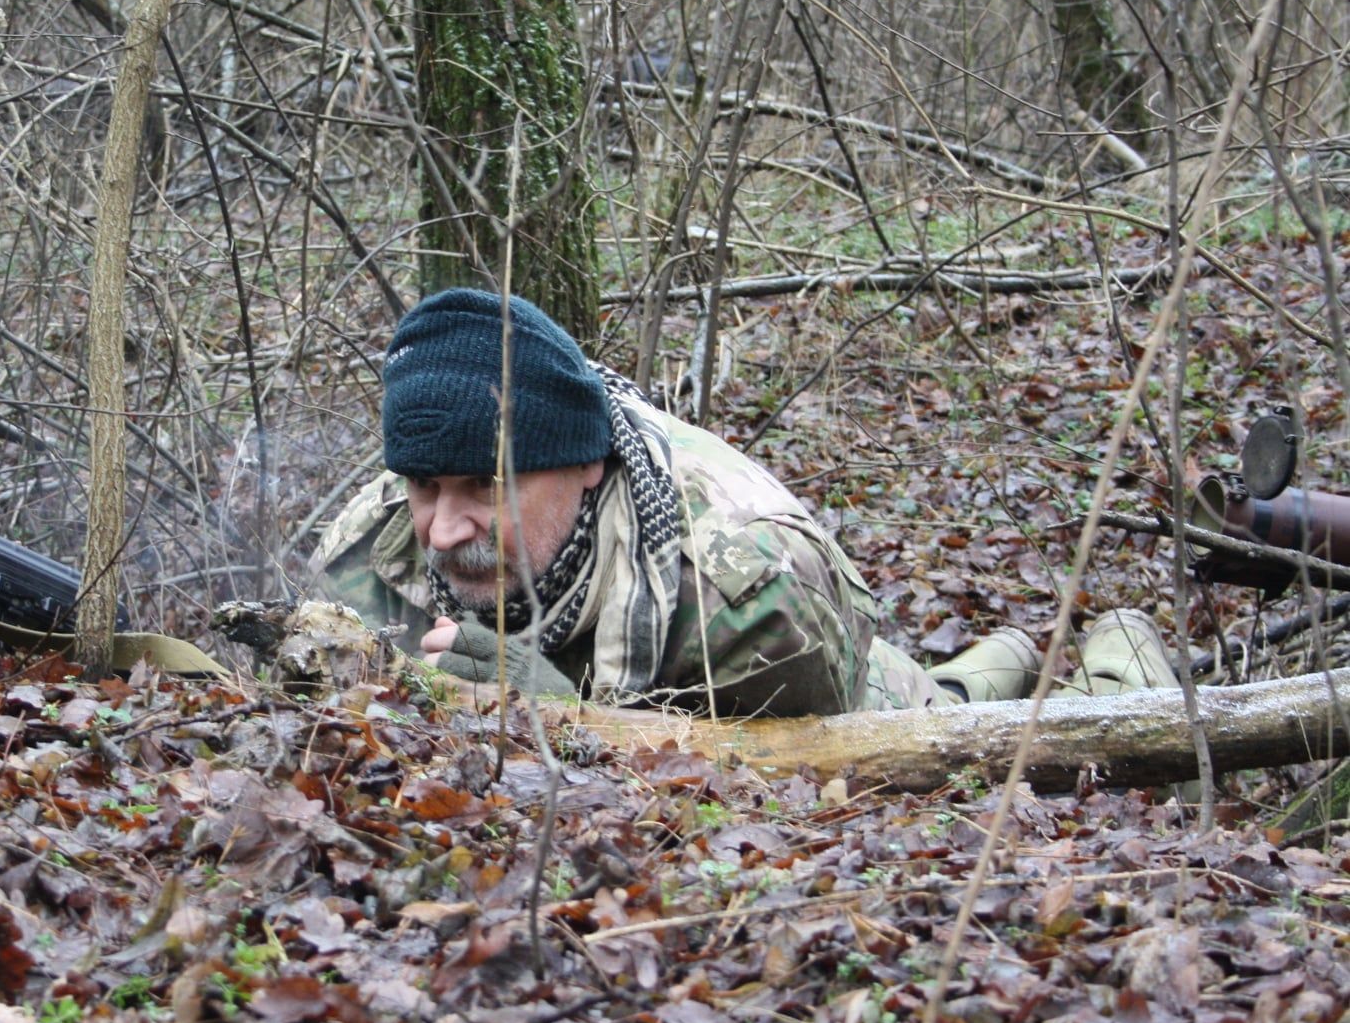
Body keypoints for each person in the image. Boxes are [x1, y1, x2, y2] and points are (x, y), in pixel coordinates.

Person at [310, 288, 1176, 714]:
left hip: (840, 694)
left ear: (586, 466)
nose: (445, 527)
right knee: (966, 684)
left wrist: (563, 723)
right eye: (424, 486)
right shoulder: (368, 554)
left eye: (486, 486)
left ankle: (1121, 647)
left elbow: (809, 803)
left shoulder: (753, 594)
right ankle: (1008, 653)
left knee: (953, 717)